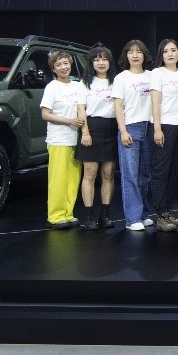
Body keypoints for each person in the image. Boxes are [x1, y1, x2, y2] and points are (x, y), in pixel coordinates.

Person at [39, 49, 86, 229]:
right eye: (58, 65)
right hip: (59, 140)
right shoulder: (52, 87)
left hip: (76, 139)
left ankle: (68, 213)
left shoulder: (78, 86)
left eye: (65, 63)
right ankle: (56, 216)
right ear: (53, 69)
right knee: (58, 179)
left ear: (70, 64)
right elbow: (45, 114)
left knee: (73, 179)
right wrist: (70, 121)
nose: (63, 67)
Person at [112, 39, 155, 231]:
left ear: (144, 55)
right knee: (130, 175)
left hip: (150, 127)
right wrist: (123, 130)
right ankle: (132, 219)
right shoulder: (121, 78)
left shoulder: (152, 76)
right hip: (130, 127)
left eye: (138, 51)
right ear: (126, 56)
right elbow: (118, 106)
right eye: (131, 52)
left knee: (145, 175)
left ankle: (143, 213)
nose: (135, 55)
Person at [76, 44, 117, 230]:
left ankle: (105, 216)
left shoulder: (116, 82)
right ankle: (89, 217)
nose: (101, 63)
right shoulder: (85, 83)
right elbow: (81, 109)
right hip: (91, 129)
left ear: (110, 62)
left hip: (111, 129)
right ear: (91, 63)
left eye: (104, 59)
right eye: (97, 59)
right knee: (90, 174)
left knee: (108, 174)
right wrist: (85, 132)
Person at [148, 39, 178, 231]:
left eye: (173, 50)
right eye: (165, 51)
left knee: (177, 170)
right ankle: (160, 214)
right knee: (161, 171)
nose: (170, 54)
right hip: (163, 125)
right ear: (161, 55)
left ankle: (168, 209)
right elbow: (155, 102)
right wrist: (157, 128)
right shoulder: (157, 73)